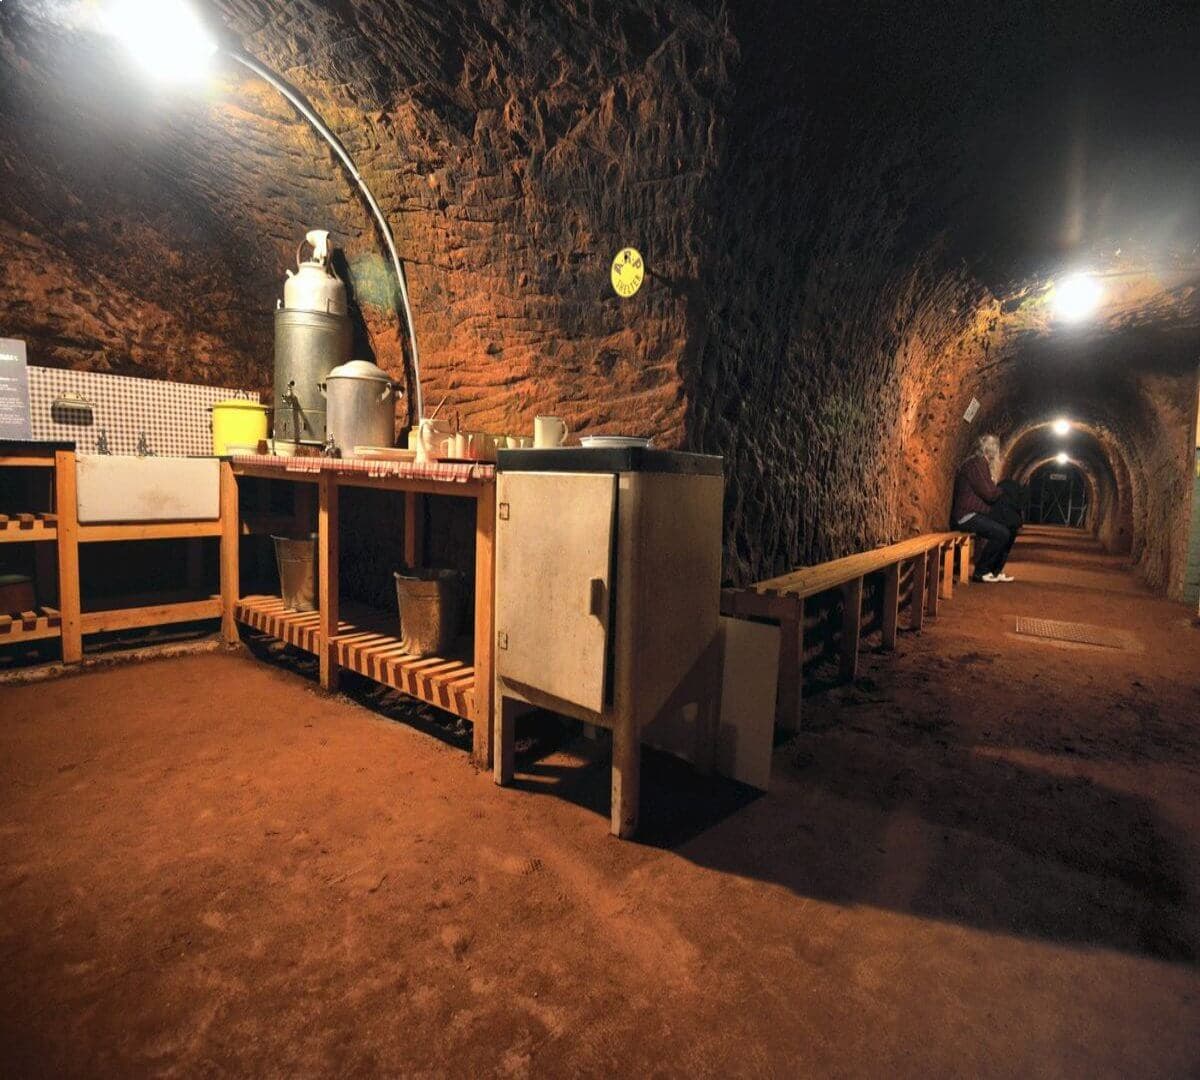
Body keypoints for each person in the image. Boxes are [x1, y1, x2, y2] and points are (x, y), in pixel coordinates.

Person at [952, 434, 1016, 582]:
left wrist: (997, 491)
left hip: (979, 513)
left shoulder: (982, 464)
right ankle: (981, 571)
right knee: (1002, 533)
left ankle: (994, 571)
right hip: (967, 515)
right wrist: (1003, 490)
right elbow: (989, 494)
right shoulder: (977, 464)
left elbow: (990, 492)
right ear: (991, 451)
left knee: (1011, 527)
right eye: (996, 450)